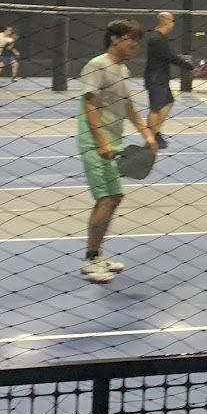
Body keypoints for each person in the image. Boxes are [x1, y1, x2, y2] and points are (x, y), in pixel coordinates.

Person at [77, 19, 158, 283]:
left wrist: (146, 133)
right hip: (95, 143)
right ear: (115, 38)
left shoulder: (122, 69)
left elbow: (129, 106)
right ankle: (90, 259)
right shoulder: (97, 65)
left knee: (114, 198)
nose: (136, 45)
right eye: (131, 39)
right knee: (105, 198)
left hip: (114, 142)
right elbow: (90, 105)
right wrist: (101, 141)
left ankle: (96, 254)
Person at [145, 11, 194, 149]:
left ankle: (155, 132)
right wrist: (188, 66)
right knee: (155, 108)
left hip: (161, 77)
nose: (173, 24)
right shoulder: (156, 38)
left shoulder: (161, 38)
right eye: (172, 21)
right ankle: (152, 136)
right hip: (155, 78)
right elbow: (169, 56)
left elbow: (169, 55)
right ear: (166, 21)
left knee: (169, 102)